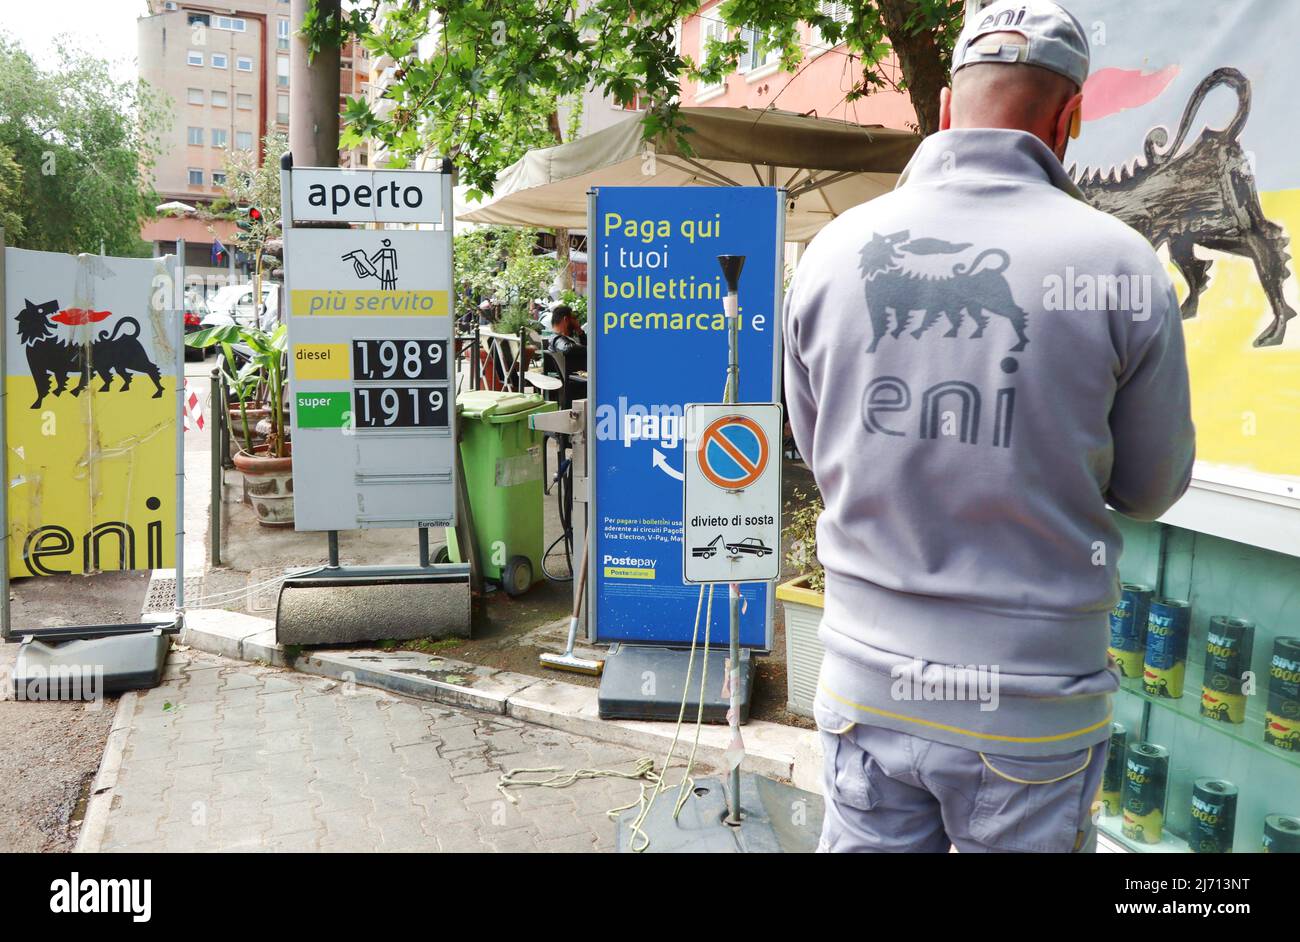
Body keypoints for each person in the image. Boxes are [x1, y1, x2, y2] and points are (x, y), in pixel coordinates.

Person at [783, 0, 1194, 853]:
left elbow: (822, 455)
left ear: (943, 110)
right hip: (1030, 708)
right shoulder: (1119, 265)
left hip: (865, 685)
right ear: (1070, 116)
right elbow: (1152, 489)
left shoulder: (830, 253)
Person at [548, 303, 587, 373]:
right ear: (566, 319)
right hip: (577, 380)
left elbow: (585, 346)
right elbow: (568, 348)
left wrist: (580, 331)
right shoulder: (556, 339)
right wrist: (594, 350)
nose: (577, 322)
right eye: (574, 318)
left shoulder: (563, 338)